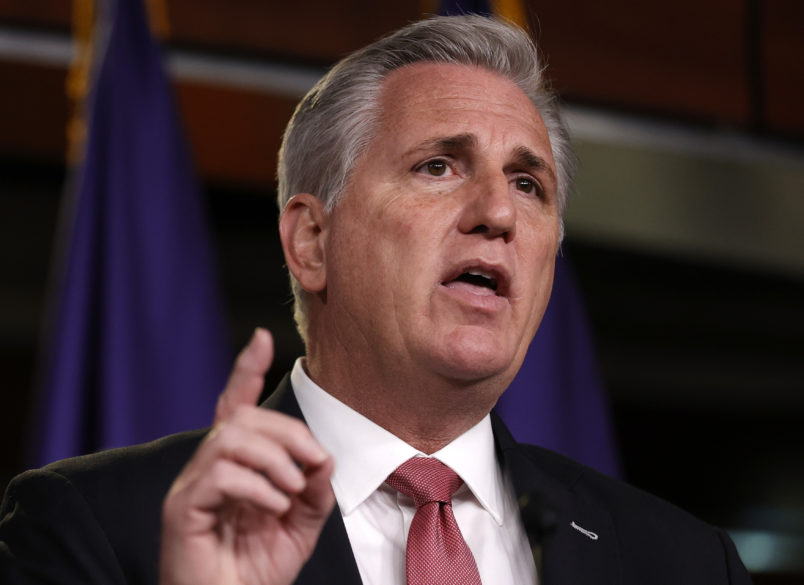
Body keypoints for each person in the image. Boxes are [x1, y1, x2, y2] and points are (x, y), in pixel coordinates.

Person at [0, 15, 751, 585]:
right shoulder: (95, 527)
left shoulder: (683, 563)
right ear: (311, 241)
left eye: (529, 184)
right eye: (438, 166)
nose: (499, 212)